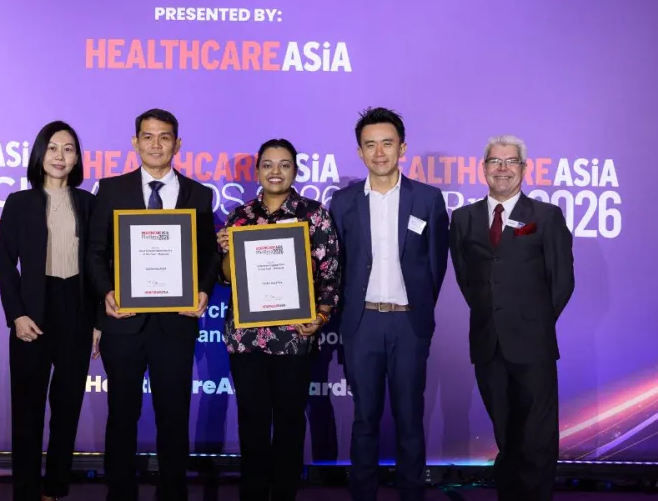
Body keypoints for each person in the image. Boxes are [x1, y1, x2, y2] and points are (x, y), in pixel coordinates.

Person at [86, 108, 220, 501]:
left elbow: (209, 254)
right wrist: (106, 293)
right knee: (121, 415)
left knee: (174, 415)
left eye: (164, 137)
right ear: (135, 142)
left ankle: (173, 492)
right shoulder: (111, 189)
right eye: (148, 136)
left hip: (175, 323)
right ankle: (119, 492)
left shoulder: (199, 194)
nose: (156, 144)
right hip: (123, 321)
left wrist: (204, 290)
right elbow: (95, 252)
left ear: (178, 144)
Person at [328, 107, 449, 501]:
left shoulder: (428, 199)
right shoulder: (342, 202)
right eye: (370, 145)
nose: (379, 152)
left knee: (410, 418)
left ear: (402, 148)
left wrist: (418, 311)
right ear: (359, 152)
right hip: (362, 324)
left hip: (408, 324)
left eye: (387, 143)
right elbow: (337, 265)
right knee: (364, 418)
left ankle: (412, 494)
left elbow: (436, 265)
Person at [449, 135, 574, 501]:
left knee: (536, 438)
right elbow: (465, 277)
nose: (502, 168)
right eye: (495, 161)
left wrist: (533, 322)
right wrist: (493, 315)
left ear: (524, 168)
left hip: (533, 344)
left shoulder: (545, 216)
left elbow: (562, 281)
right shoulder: (463, 218)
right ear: (483, 168)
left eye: (511, 161)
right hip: (488, 344)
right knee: (505, 436)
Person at [216, 138, 341, 501]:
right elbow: (227, 278)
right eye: (268, 165)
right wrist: (225, 250)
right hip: (247, 338)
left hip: (293, 336)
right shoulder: (239, 216)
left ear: (295, 171)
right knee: (251, 422)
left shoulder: (313, 215)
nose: (275, 172)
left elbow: (330, 274)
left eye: (284, 165)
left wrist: (321, 315)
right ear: (257, 171)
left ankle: (285, 493)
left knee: (289, 421)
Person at [0, 120, 99, 501]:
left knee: (68, 406)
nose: (60, 156)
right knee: (27, 409)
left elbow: (99, 265)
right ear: (40, 153)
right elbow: (6, 266)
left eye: (69, 149)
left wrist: (98, 322)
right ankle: (25, 491)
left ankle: (55, 488)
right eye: (53, 148)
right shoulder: (19, 203)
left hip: (77, 309)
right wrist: (17, 315)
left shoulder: (89, 203)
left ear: (77, 158)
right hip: (32, 312)